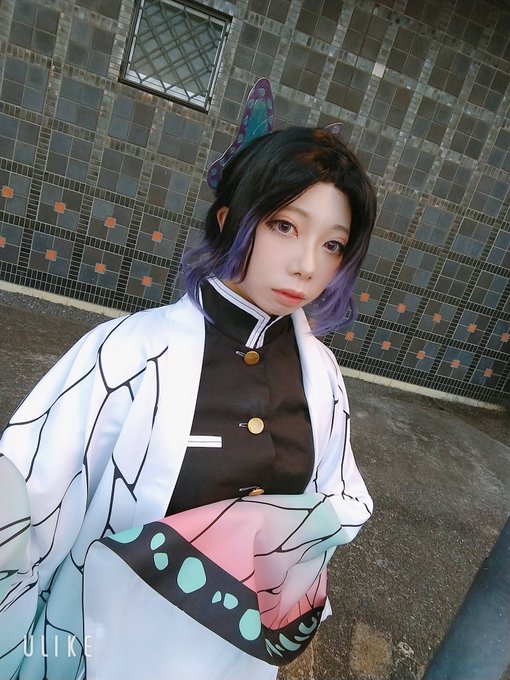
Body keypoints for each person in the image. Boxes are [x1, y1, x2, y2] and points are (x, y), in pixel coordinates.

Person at [0, 125, 377, 680]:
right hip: (103, 654)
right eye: (284, 226)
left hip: (239, 658)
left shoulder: (321, 374)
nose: (306, 265)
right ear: (229, 220)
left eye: (332, 244)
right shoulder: (127, 352)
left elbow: (338, 499)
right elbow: (27, 506)